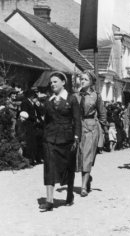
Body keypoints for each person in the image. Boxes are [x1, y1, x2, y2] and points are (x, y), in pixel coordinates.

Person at [39, 72, 81, 211]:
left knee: (68, 168)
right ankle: (49, 201)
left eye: (55, 81)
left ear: (63, 82)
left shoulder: (72, 99)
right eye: (51, 82)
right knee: (49, 168)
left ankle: (69, 194)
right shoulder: (48, 100)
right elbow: (46, 120)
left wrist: (76, 137)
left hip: (67, 139)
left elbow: (77, 120)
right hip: (50, 139)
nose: (52, 84)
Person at [75, 70, 107, 197]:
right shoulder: (76, 95)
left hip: (91, 127)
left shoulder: (96, 96)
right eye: (81, 79)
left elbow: (102, 113)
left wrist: (104, 130)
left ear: (92, 82)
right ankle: (88, 179)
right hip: (77, 126)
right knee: (78, 156)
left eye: (85, 79)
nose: (82, 81)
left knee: (87, 156)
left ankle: (83, 187)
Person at [20, 90, 43, 165]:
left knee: (37, 142)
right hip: (29, 124)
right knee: (31, 142)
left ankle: (38, 158)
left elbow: (40, 112)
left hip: (35, 125)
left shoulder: (33, 103)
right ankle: (31, 160)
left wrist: (38, 105)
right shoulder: (25, 102)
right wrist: (34, 118)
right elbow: (25, 113)